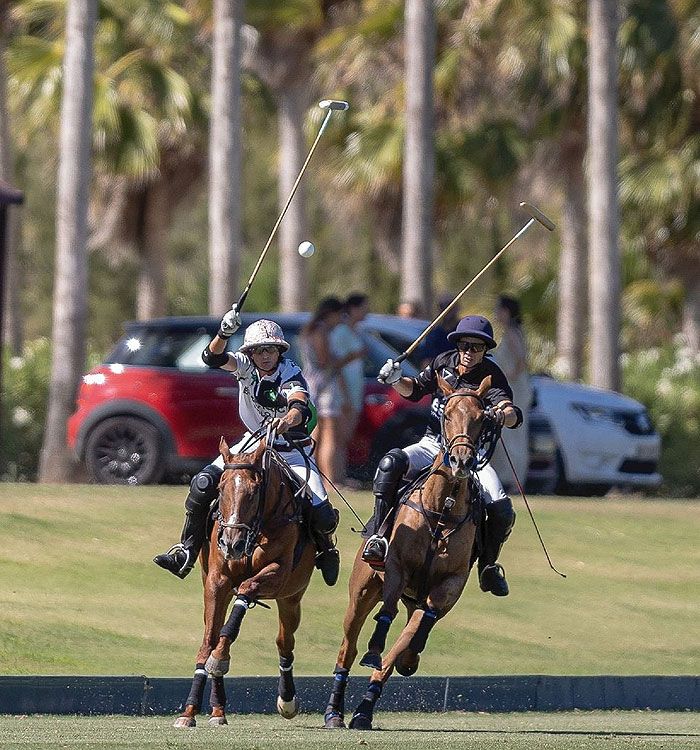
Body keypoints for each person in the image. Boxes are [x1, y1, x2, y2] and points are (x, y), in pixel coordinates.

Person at [154, 310, 340, 586]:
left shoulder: (291, 373)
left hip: (290, 449)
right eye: (258, 351)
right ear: (250, 353)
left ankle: (326, 550)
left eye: (270, 350)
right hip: (252, 442)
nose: (264, 356)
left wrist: (287, 420)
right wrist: (224, 333)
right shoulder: (244, 366)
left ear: (279, 351)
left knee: (323, 513)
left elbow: (299, 405)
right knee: (202, 484)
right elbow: (212, 358)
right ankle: (187, 551)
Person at [362, 315, 523, 597]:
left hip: (473, 456)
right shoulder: (443, 362)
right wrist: (397, 379)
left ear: (486, 349)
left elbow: (512, 412)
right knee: (391, 463)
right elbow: (415, 391)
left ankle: (488, 567)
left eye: (476, 347)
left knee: (501, 506)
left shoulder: (491, 374)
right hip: (433, 445)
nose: (469, 352)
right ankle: (378, 534)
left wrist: (500, 413)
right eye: (464, 345)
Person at [299, 297, 345, 485]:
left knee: (314, 430)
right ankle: (329, 479)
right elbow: (324, 360)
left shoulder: (310, 329)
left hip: (311, 383)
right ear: (330, 313)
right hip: (323, 383)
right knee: (327, 433)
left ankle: (315, 474)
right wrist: (345, 359)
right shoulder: (321, 330)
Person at [491, 295, 532, 490]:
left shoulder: (513, 333)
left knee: (513, 435)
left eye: (499, 310)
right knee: (505, 436)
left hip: (515, 389)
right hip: (511, 388)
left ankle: (516, 481)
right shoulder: (509, 332)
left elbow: (521, 362)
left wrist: (504, 377)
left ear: (506, 312)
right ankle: (506, 478)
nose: (496, 314)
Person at [330, 293, 368, 485]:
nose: (366, 312)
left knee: (345, 437)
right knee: (338, 437)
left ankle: (341, 476)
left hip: (355, 389)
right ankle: (334, 478)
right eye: (363, 307)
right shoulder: (341, 332)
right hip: (343, 389)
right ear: (353, 309)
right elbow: (336, 364)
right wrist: (355, 355)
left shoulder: (356, 331)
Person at [419, 293, 461, 366]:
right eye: (442, 307)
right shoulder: (433, 333)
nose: (447, 310)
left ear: (457, 308)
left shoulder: (463, 332)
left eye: (450, 306)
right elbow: (426, 361)